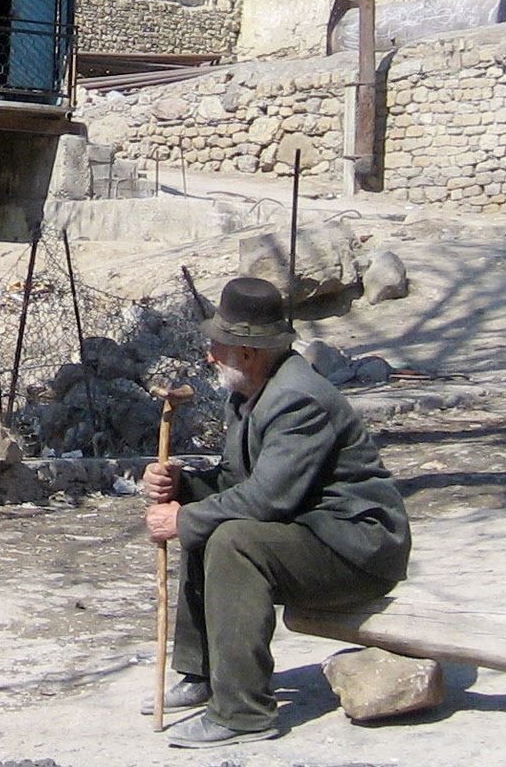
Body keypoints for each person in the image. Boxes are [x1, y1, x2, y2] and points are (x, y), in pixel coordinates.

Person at [143, 276, 412, 750]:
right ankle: (205, 673)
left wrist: (183, 520)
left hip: (357, 549)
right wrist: (182, 487)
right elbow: (237, 482)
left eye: (218, 346)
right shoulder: (250, 393)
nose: (211, 355)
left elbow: (268, 500)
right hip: (313, 533)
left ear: (248, 352)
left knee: (233, 541)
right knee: (208, 520)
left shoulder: (297, 399)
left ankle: (243, 713)